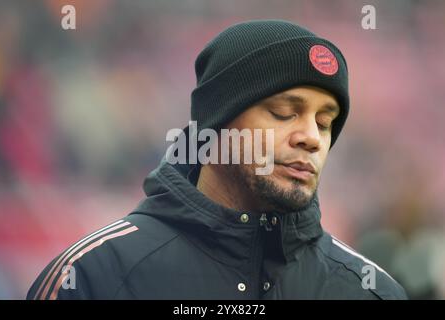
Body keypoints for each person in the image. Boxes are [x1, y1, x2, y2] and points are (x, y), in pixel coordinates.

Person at [27, 19, 407, 300]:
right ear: (217, 123)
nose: (311, 137)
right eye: (284, 113)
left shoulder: (371, 291)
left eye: (324, 122)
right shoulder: (93, 276)